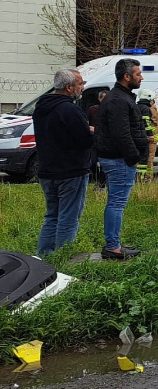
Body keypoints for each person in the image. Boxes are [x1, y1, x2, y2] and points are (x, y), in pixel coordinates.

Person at [34, 69, 92, 256]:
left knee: (52, 215)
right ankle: (63, 258)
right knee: (69, 216)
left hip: (46, 170)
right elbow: (85, 140)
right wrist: (92, 131)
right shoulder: (70, 109)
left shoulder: (41, 108)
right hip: (71, 171)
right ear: (69, 87)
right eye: (80, 84)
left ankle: (45, 255)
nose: (82, 88)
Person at [94, 58, 148, 259]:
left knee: (116, 202)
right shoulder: (118, 100)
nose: (141, 77)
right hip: (119, 160)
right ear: (127, 77)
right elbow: (121, 133)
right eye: (137, 74)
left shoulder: (121, 97)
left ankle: (114, 243)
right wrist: (133, 157)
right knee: (117, 202)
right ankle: (112, 247)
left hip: (118, 158)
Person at [135, 89, 158, 180]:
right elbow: (149, 123)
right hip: (149, 139)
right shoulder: (148, 108)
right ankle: (147, 178)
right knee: (148, 159)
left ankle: (143, 177)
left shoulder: (138, 107)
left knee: (145, 159)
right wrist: (151, 135)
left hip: (143, 137)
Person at [87, 89, 108, 191]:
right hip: (94, 141)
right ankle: (95, 180)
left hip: (105, 141)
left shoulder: (111, 110)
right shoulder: (92, 110)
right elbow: (87, 123)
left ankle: (102, 184)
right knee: (92, 163)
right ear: (99, 99)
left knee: (104, 164)